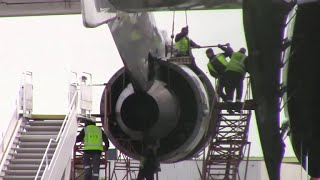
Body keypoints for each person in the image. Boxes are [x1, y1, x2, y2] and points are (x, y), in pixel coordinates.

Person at [223, 47, 247, 113]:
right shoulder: (245, 57)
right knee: (239, 91)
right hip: (238, 74)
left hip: (229, 73)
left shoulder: (234, 54)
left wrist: (223, 46)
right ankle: (237, 108)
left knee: (230, 90)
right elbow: (248, 67)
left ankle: (229, 109)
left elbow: (228, 50)